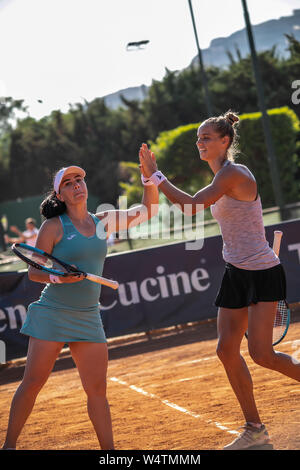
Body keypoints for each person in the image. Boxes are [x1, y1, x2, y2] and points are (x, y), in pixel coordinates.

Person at [138, 111, 300, 451]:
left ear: (225, 141)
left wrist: (156, 176)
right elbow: (193, 205)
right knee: (226, 351)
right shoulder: (219, 177)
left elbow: (193, 206)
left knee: (262, 355)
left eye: (206, 138)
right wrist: (155, 179)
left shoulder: (234, 174)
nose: (200, 143)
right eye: (198, 138)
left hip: (262, 272)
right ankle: (255, 429)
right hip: (235, 272)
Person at [2, 165, 159, 450]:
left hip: (88, 316)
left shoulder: (103, 221)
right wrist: (58, 277)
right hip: (53, 312)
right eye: (69, 183)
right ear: (59, 195)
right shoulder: (53, 226)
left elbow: (147, 212)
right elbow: (34, 273)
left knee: (97, 390)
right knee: (33, 381)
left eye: (80, 180)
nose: (77, 185)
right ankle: (9, 446)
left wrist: (150, 180)